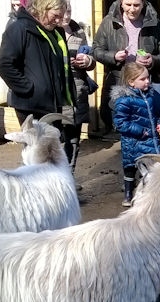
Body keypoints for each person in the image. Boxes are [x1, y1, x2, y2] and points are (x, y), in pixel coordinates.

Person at [92, 0, 160, 134]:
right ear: (121, 3)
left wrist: (153, 60)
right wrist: (113, 56)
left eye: (136, 5)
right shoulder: (109, 22)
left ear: (143, 4)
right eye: (128, 5)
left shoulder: (154, 22)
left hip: (147, 86)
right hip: (119, 84)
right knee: (122, 129)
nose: (132, 9)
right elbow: (96, 50)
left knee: (147, 131)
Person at [0, 0, 75, 126]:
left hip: (53, 105)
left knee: (54, 143)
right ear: (42, 9)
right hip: (31, 106)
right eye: (55, 16)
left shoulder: (54, 32)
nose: (57, 21)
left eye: (60, 17)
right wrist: (29, 88)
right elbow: (5, 66)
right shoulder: (19, 29)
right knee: (36, 145)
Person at [110, 62, 160, 207]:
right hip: (133, 142)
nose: (147, 81)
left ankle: (146, 195)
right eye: (143, 79)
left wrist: (159, 122)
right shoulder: (124, 100)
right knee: (130, 169)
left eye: (148, 78)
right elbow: (120, 123)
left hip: (150, 140)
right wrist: (140, 131)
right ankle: (128, 194)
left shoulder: (150, 96)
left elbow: (155, 114)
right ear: (131, 82)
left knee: (148, 169)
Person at [61, 1, 95, 174]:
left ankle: (70, 176)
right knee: (59, 139)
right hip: (59, 94)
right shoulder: (49, 31)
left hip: (78, 92)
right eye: (63, 11)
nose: (66, 16)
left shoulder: (78, 31)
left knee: (74, 140)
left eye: (69, 11)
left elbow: (90, 58)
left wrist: (87, 61)